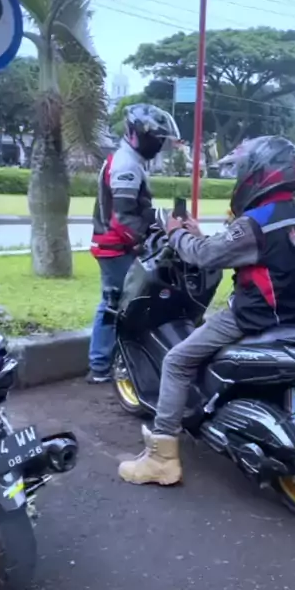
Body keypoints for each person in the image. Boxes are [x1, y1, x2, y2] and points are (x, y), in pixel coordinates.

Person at [119, 135, 295, 486]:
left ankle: (162, 458)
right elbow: (244, 251)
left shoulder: (256, 221)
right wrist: (199, 233)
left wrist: (176, 233)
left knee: (177, 361)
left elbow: (206, 256)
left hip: (253, 316)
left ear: (259, 173)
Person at [87, 103, 180, 384]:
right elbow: (123, 217)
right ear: (137, 134)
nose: (158, 144)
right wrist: (144, 240)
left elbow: (135, 211)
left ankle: (108, 360)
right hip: (114, 247)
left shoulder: (131, 160)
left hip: (116, 245)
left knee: (119, 301)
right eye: (155, 138)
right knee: (114, 303)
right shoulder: (126, 164)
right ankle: (100, 365)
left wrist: (160, 221)